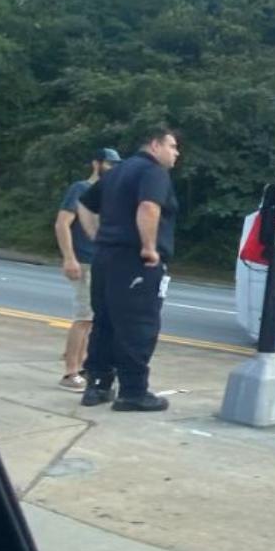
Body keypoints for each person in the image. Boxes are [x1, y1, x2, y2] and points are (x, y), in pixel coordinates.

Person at [79, 128, 181, 411]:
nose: (176, 153)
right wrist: (149, 247)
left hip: (105, 258)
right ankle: (133, 392)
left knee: (105, 322)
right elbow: (149, 207)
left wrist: (97, 236)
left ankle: (97, 386)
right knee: (138, 324)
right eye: (172, 146)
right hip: (135, 261)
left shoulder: (116, 172)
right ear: (154, 144)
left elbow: (85, 204)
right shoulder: (153, 172)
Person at [54, 148, 119, 391]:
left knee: (92, 319)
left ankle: (79, 365)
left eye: (116, 165)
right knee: (83, 317)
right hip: (83, 259)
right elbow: (62, 224)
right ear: (97, 164)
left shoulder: (107, 193)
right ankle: (70, 373)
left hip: (100, 261)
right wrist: (69, 258)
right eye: (110, 164)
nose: (113, 169)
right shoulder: (80, 188)